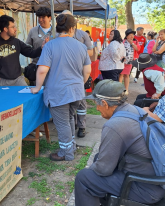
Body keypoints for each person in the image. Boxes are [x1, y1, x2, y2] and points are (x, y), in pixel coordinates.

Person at [74, 79, 165, 206]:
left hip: (147, 188)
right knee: (97, 158)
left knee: (84, 178)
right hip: (157, 179)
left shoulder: (115, 125)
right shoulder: (134, 109)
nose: (97, 108)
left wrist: (93, 169)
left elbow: (103, 169)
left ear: (105, 103)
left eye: (97, 104)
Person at [31, 14, 91, 161]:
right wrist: (79, 83)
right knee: (69, 118)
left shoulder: (50, 45)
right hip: (77, 91)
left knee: (63, 122)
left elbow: (42, 70)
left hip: (58, 92)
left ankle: (66, 153)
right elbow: (87, 71)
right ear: (72, 28)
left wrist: (37, 87)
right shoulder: (81, 46)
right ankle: (71, 146)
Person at [0, 15, 46, 87]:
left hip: (18, 80)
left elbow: (31, 53)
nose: (15, 29)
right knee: (5, 99)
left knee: (26, 96)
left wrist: (41, 47)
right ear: (5, 29)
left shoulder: (16, 42)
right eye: (13, 27)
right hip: (2, 81)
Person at [62, 10, 93, 138]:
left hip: (80, 72)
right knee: (68, 100)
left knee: (81, 101)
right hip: (64, 73)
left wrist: (77, 53)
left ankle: (82, 127)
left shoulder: (82, 34)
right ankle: (72, 124)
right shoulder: (59, 34)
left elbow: (90, 52)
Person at [25, 7, 53, 85]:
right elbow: (27, 48)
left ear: (50, 18)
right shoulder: (33, 31)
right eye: (39, 17)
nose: (40, 20)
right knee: (38, 91)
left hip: (53, 68)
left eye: (43, 17)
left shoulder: (56, 31)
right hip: (36, 67)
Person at [119, 29, 140, 94]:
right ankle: (119, 89)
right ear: (127, 36)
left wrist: (132, 43)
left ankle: (126, 90)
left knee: (127, 75)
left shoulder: (135, 41)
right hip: (122, 61)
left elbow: (138, 49)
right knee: (121, 75)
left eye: (133, 35)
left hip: (130, 61)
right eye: (130, 35)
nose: (132, 36)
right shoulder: (122, 41)